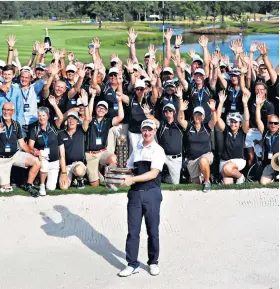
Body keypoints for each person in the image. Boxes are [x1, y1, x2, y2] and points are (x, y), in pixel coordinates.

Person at [119, 119, 165, 277]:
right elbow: (130, 168)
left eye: (149, 130)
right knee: (133, 231)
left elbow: (153, 173)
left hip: (152, 193)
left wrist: (132, 179)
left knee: (152, 230)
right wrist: (118, 174)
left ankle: (153, 262)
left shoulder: (158, 150)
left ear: (154, 132)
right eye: (144, 130)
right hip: (135, 195)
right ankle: (132, 264)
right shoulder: (137, 148)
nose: (146, 133)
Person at [0, 102, 40, 196]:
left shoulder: (16, 124)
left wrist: (32, 151)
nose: (6, 112)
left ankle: (28, 185)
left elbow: (22, 144)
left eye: (8, 110)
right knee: (6, 189)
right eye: (4, 109)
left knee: (36, 161)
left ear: (13, 111)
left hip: (15, 155)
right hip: (2, 159)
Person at [83, 95, 124, 187]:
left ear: (106, 111)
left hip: (102, 153)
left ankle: (109, 180)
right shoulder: (90, 120)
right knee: (95, 184)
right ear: (95, 109)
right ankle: (97, 173)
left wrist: (119, 101)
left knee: (113, 158)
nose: (101, 109)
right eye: (99, 107)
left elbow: (120, 117)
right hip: (90, 154)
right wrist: (92, 97)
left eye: (103, 108)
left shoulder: (107, 121)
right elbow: (88, 116)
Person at [177, 99, 217, 192]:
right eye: (196, 114)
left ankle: (207, 182)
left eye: (200, 115)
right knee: (196, 184)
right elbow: (180, 120)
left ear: (203, 117)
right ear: (193, 115)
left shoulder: (207, 127)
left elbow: (214, 121)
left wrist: (213, 110)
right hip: (192, 159)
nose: (197, 116)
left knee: (203, 160)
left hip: (206, 155)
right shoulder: (189, 126)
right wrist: (181, 109)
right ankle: (202, 178)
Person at [216, 90, 250, 184]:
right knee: (228, 184)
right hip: (224, 161)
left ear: (239, 124)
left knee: (227, 168)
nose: (233, 124)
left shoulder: (242, 132)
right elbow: (218, 118)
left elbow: (246, 119)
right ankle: (237, 178)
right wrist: (221, 102)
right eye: (231, 121)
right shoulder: (226, 130)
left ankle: (241, 176)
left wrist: (245, 104)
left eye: (235, 122)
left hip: (238, 160)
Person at [28, 105, 64, 196]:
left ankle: (41, 180)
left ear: (48, 116)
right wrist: (36, 151)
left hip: (54, 161)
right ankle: (41, 185)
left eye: (44, 115)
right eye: (39, 115)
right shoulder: (35, 129)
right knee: (43, 162)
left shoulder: (54, 125)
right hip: (43, 158)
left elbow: (61, 117)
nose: (41, 118)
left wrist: (54, 104)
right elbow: (30, 146)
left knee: (51, 187)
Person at [157, 100, 184, 185]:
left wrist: (181, 103)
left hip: (175, 159)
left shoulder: (179, 125)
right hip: (163, 157)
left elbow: (181, 118)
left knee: (175, 183)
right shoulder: (162, 125)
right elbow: (154, 121)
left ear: (174, 113)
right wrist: (147, 114)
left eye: (170, 110)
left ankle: (166, 178)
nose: (168, 112)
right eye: (166, 111)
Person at [255, 95, 279, 184]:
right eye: (271, 123)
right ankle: (274, 177)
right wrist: (258, 105)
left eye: (276, 123)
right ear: (268, 124)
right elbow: (258, 120)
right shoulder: (265, 133)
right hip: (269, 164)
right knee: (263, 182)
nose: (273, 125)